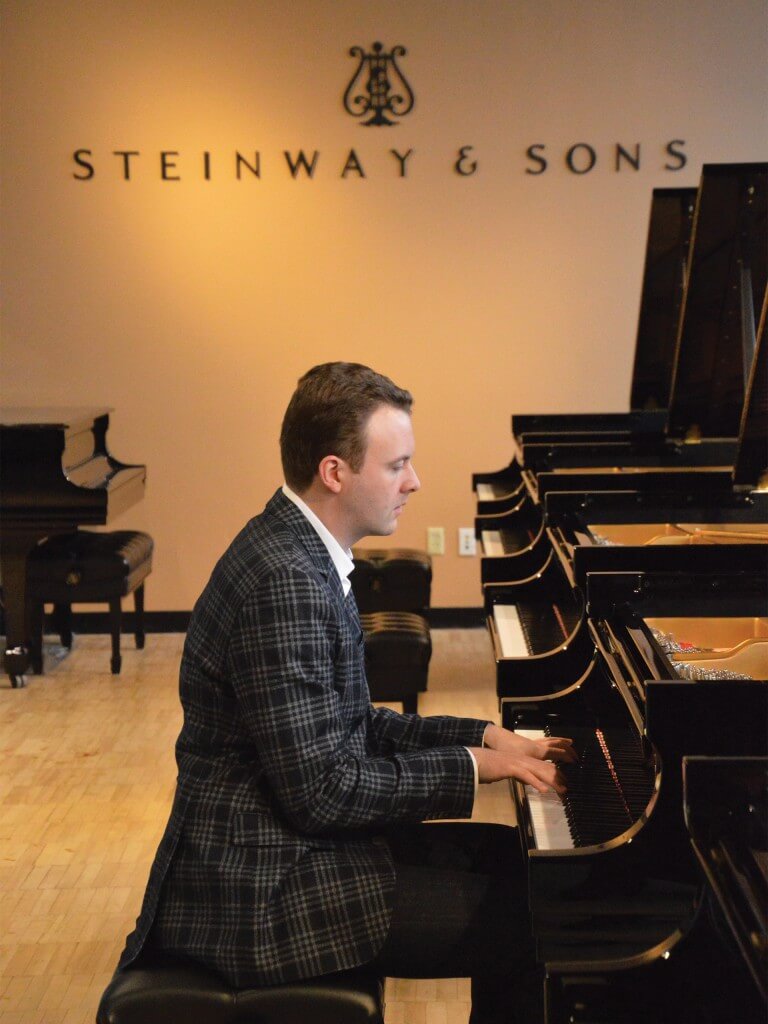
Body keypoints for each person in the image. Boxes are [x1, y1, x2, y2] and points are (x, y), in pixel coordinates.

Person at [118, 362, 575, 1023]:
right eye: (398, 466)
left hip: (283, 844)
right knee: (536, 920)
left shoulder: (300, 549)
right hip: (259, 887)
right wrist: (478, 769)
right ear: (336, 472)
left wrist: (482, 737)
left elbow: (352, 725)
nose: (414, 482)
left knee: (520, 862)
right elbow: (323, 792)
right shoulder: (288, 582)